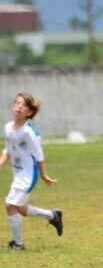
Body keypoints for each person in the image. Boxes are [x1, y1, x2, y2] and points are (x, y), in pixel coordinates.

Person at [1, 92, 63, 250]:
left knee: (10, 205)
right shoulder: (7, 127)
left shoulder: (29, 133)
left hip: (29, 176)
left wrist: (43, 175)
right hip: (18, 174)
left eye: (23, 105)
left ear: (29, 112)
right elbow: (7, 150)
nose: (18, 106)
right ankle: (52, 216)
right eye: (17, 103)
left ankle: (18, 243)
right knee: (20, 209)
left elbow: (39, 156)